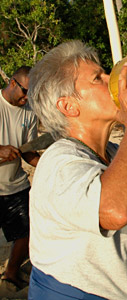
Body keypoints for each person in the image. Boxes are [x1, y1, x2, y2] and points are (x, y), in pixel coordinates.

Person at [28, 40, 127, 300]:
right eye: (98, 78)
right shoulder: (58, 162)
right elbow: (114, 212)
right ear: (69, 106)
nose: (112, 78)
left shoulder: (112, 153)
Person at [0, 66, 40, 289]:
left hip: (15, 184)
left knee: (26, 231)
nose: (27, 98)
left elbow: (28, 152)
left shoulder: (30, 112)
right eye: (25, 91)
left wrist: (48, 164)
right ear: (13, 83)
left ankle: (12, 273)